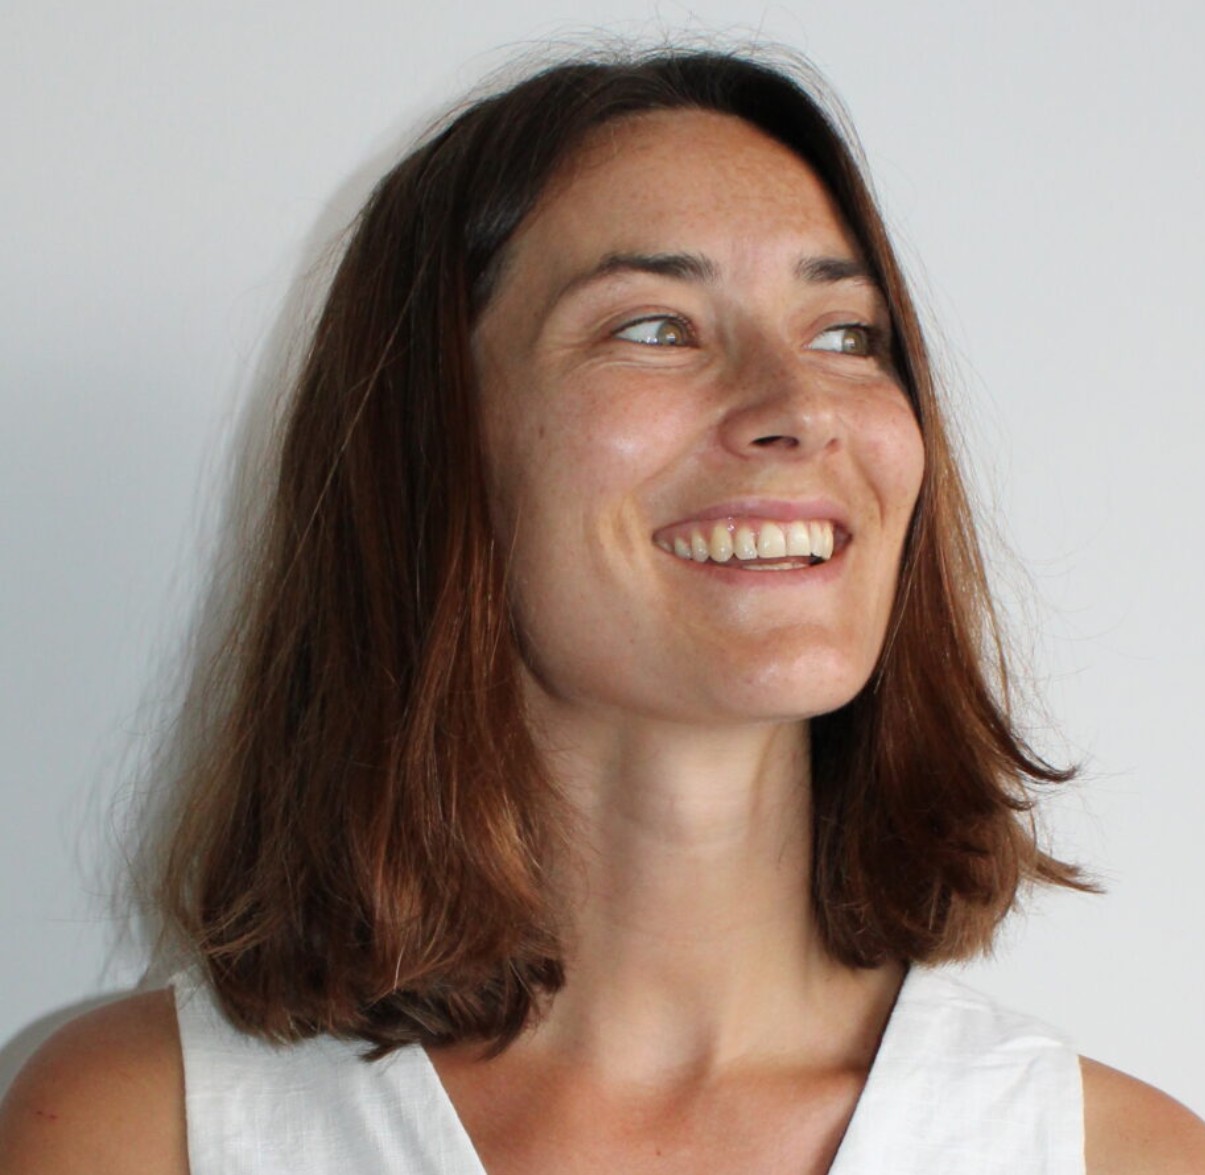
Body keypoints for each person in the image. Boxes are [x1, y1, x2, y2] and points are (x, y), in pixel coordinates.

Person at [1, 46, 1202, 1175]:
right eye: (653, 326)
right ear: (433, 444)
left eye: (845, 334)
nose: (797, 406)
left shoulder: (1117, 1156)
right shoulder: (139, 1130)